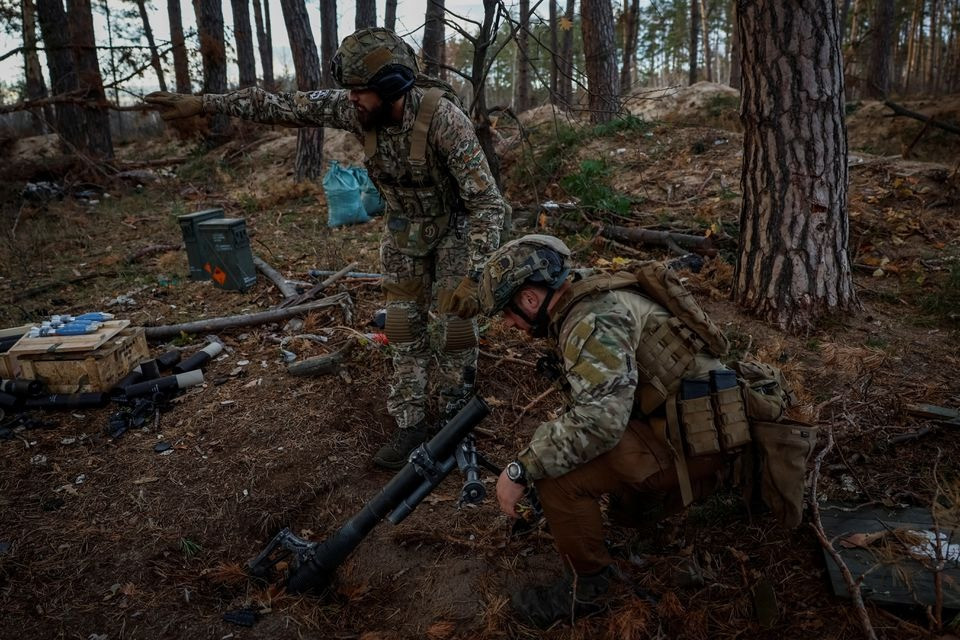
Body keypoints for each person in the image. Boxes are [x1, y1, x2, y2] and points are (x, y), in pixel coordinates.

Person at [145, 28, 506, 470]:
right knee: (403, 330)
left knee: (455, 331)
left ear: (390, 87)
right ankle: (410, 425)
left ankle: (454, 424)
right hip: (404, 233)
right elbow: (282, 105)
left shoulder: (444, 120)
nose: (351, 99)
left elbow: (487, 202)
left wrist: (474, 274)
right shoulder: (356, 110)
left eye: (359, 91)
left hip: (456, 231)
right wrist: (204, 103)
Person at [477, 234, 810, 629]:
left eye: (508, 312)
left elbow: (600, 423)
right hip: (694, 422)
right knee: (571, 456)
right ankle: (649, 515)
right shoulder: (591, 290)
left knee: (558, 478)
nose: (508, 323)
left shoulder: (591, 320)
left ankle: (591, 588)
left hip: (702, 439)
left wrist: (522, 469)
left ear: (530, 299)